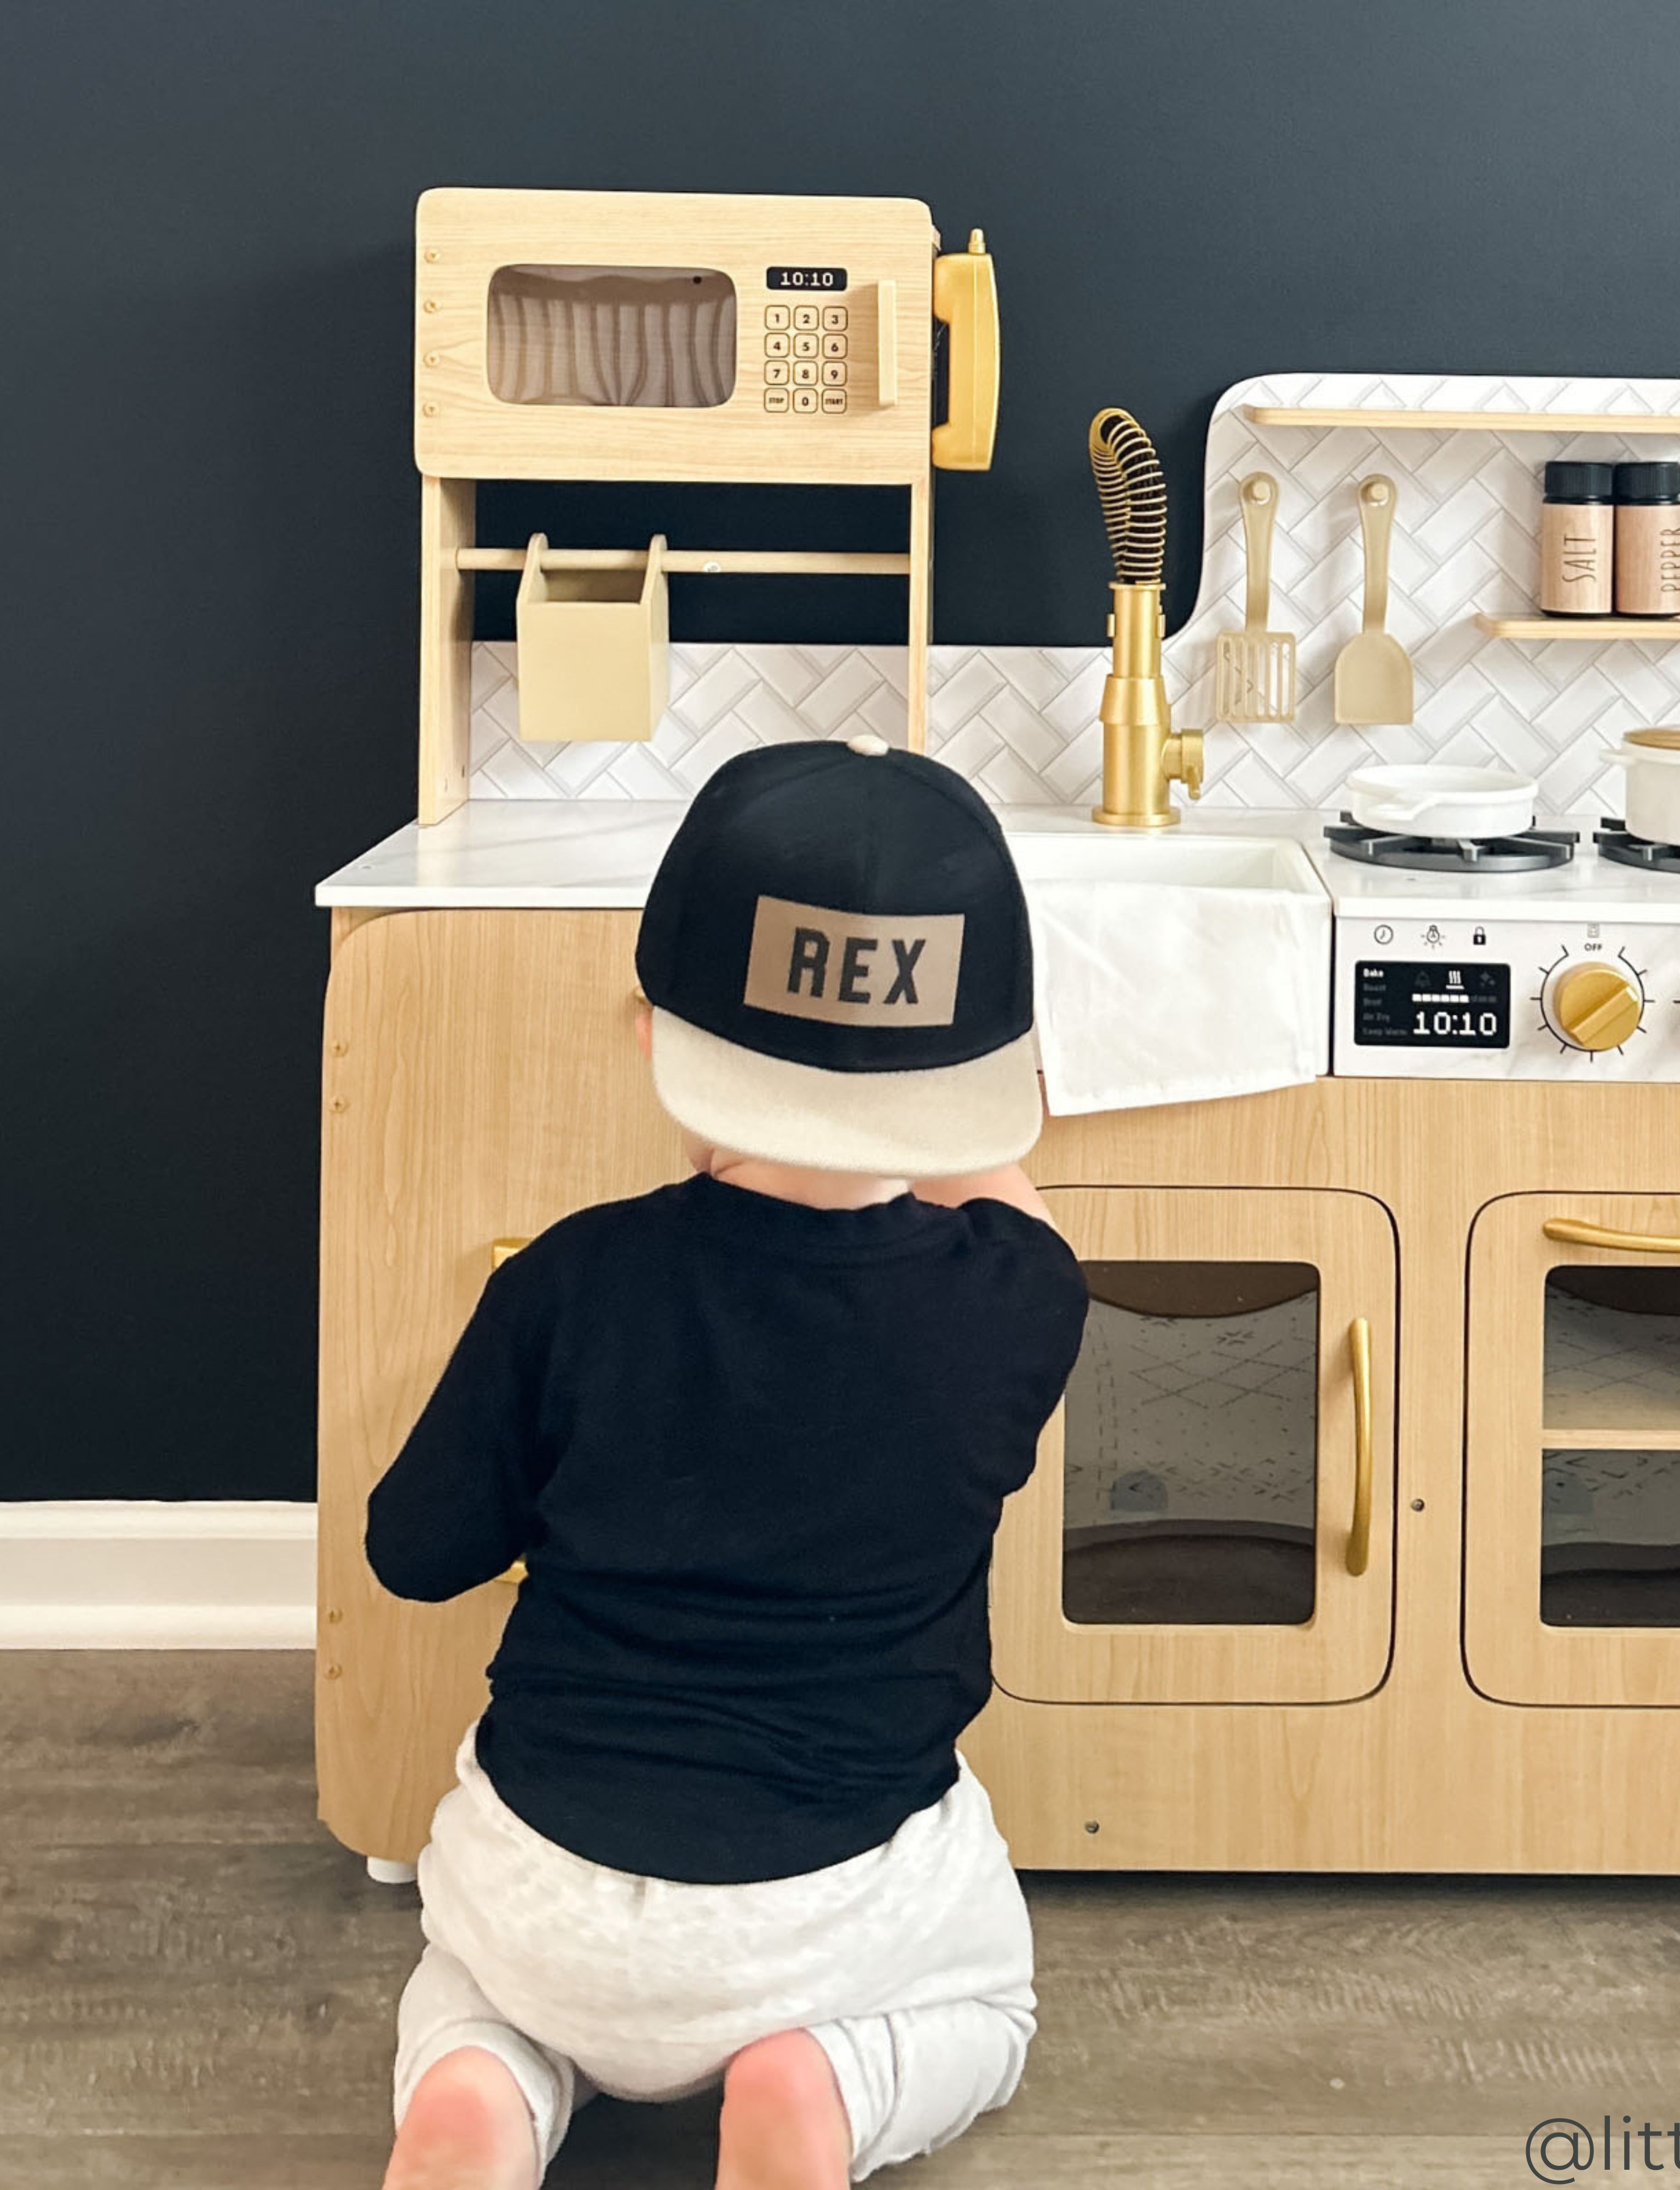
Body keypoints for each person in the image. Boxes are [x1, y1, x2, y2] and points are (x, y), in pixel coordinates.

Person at [365, 735, 1088, 2189]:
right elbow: (1013, 1200)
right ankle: (816, 2083)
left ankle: (478, 2098)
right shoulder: (1020, 1300)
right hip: (829, 1907)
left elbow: (414, 1550)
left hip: (545, 1889)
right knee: (985, 2007)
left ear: (654, 1036)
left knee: (473, 1998)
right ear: (972, 1079)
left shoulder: (570, 1284)